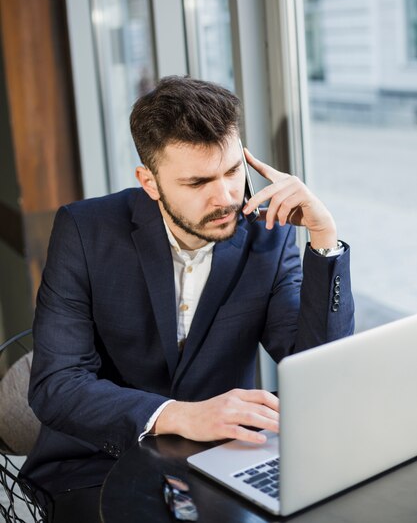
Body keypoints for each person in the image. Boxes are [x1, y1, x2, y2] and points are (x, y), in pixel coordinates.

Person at [21, 75, 354, 520]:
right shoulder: (85, 231)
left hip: (222, 459)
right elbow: (56, 386)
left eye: (234, 171)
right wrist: (176, 415)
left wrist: (323, 239)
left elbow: (317, 367)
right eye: (198, 183)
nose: (226, 198)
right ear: (150, 181)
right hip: (97, 465)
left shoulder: (266, 236)